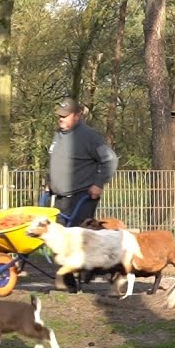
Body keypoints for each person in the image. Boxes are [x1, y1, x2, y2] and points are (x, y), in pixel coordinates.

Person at [45, 96, 118, 291]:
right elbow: (54, 161)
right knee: (60, 240)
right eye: (59, 116)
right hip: (60, 197)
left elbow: (109, 160)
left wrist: (99, 183)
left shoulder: (89, 136)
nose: (61, 120)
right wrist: (49, 182)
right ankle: (70, 277)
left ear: (77, 116)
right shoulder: (58, 135)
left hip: (81, 196)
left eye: (65, 116)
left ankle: (73, 280)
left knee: (75, 240)